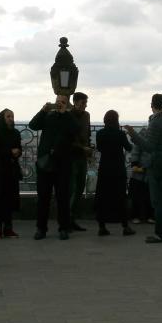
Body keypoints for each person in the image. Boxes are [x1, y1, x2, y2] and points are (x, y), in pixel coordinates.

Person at [125, 93, 162, 244]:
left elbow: (149, 146)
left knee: (158, 201)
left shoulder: (156, 122)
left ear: (152, 105)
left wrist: (133, 134)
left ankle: (160, 234)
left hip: (157, 165)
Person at [30, 95, 77, 241]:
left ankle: (63, 228)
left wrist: (65, 114)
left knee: (62, 197)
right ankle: (41, 228)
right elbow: (33, 125)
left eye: (63, 102)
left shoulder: (69, 118)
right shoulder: (48, 116)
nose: (59, 104)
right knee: (43, 197)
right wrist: (43, 110)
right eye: (57, 102)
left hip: (63, 163)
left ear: (67, 105)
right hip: (46, 162)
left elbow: (75, 130)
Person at [94, 110, 134, 236]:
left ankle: (102, 226)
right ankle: (125, 226)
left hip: (104, 169)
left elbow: (99, 148)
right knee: (121, 197)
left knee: (102, 197)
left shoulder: (100, 133)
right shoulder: (120, 134)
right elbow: (129, 148)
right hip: (118, 169)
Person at [0, 109, 22, 239]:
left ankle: (8, 228)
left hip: (12, 170)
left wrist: (17, 152)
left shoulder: (16, 132)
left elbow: (19, 148)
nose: (11, 119)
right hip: (0, 170)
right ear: (2, 118)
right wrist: (10, 152)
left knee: (10, 199)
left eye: (12, 116)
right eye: (8, 116)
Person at [67, 92, 92, 231]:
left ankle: (71, 219)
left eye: (86, 103)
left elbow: (87, 133)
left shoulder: (86, 115)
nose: (85, 105)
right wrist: (83, 147)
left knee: (79, 188)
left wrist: (88, 147)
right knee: (72, 189)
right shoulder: (68, 115)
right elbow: (67, 138)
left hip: (82, 156)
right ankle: (67, 220)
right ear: (75, 102)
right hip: (71, 157)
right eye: (83, 103)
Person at [128, 147, 152, 224]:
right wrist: (135, 164)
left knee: (147, 195)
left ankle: (145, 216)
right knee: (138, 195)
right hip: (140, 171)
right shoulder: (141, 141)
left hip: (146, 172)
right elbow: (136, 151)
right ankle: (137, 215)